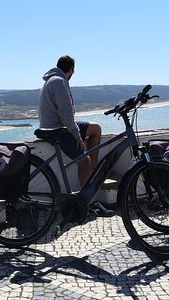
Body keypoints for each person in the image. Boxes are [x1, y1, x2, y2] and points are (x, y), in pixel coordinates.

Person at [38, 55, 114, 217]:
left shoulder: (52, 80)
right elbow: (66, 114)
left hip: (59, 125)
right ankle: (90, 203)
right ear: (71, 70)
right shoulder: (59, 82)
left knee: (95, 129)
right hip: (58, 129)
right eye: (73, 72)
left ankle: (91, 171)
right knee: (83, 161)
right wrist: (77, 135)